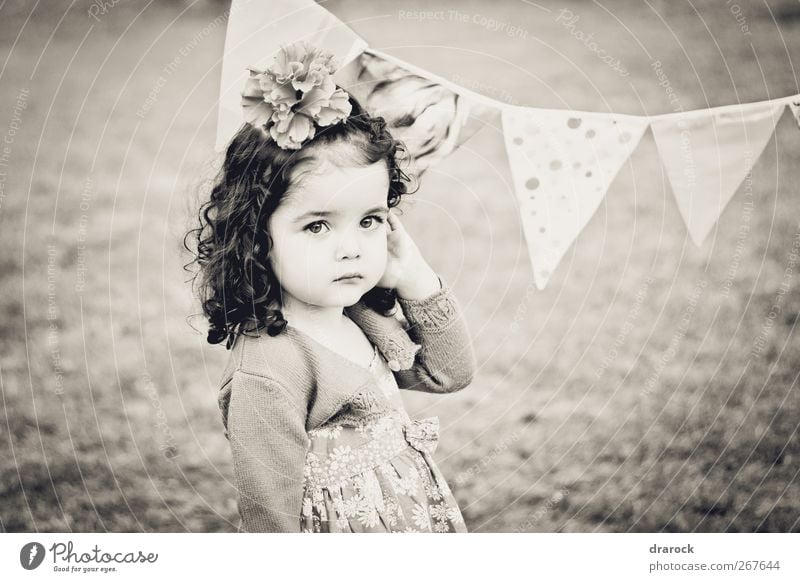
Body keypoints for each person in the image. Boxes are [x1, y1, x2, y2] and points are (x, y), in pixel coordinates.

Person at [186, 42, 476, 533]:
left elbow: (450, 373)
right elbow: (268, 517)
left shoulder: (359, 316)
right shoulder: (271, 369)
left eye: (369, 220)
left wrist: (414, 275)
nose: (351, 248)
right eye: (318, 226)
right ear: (256, 234)